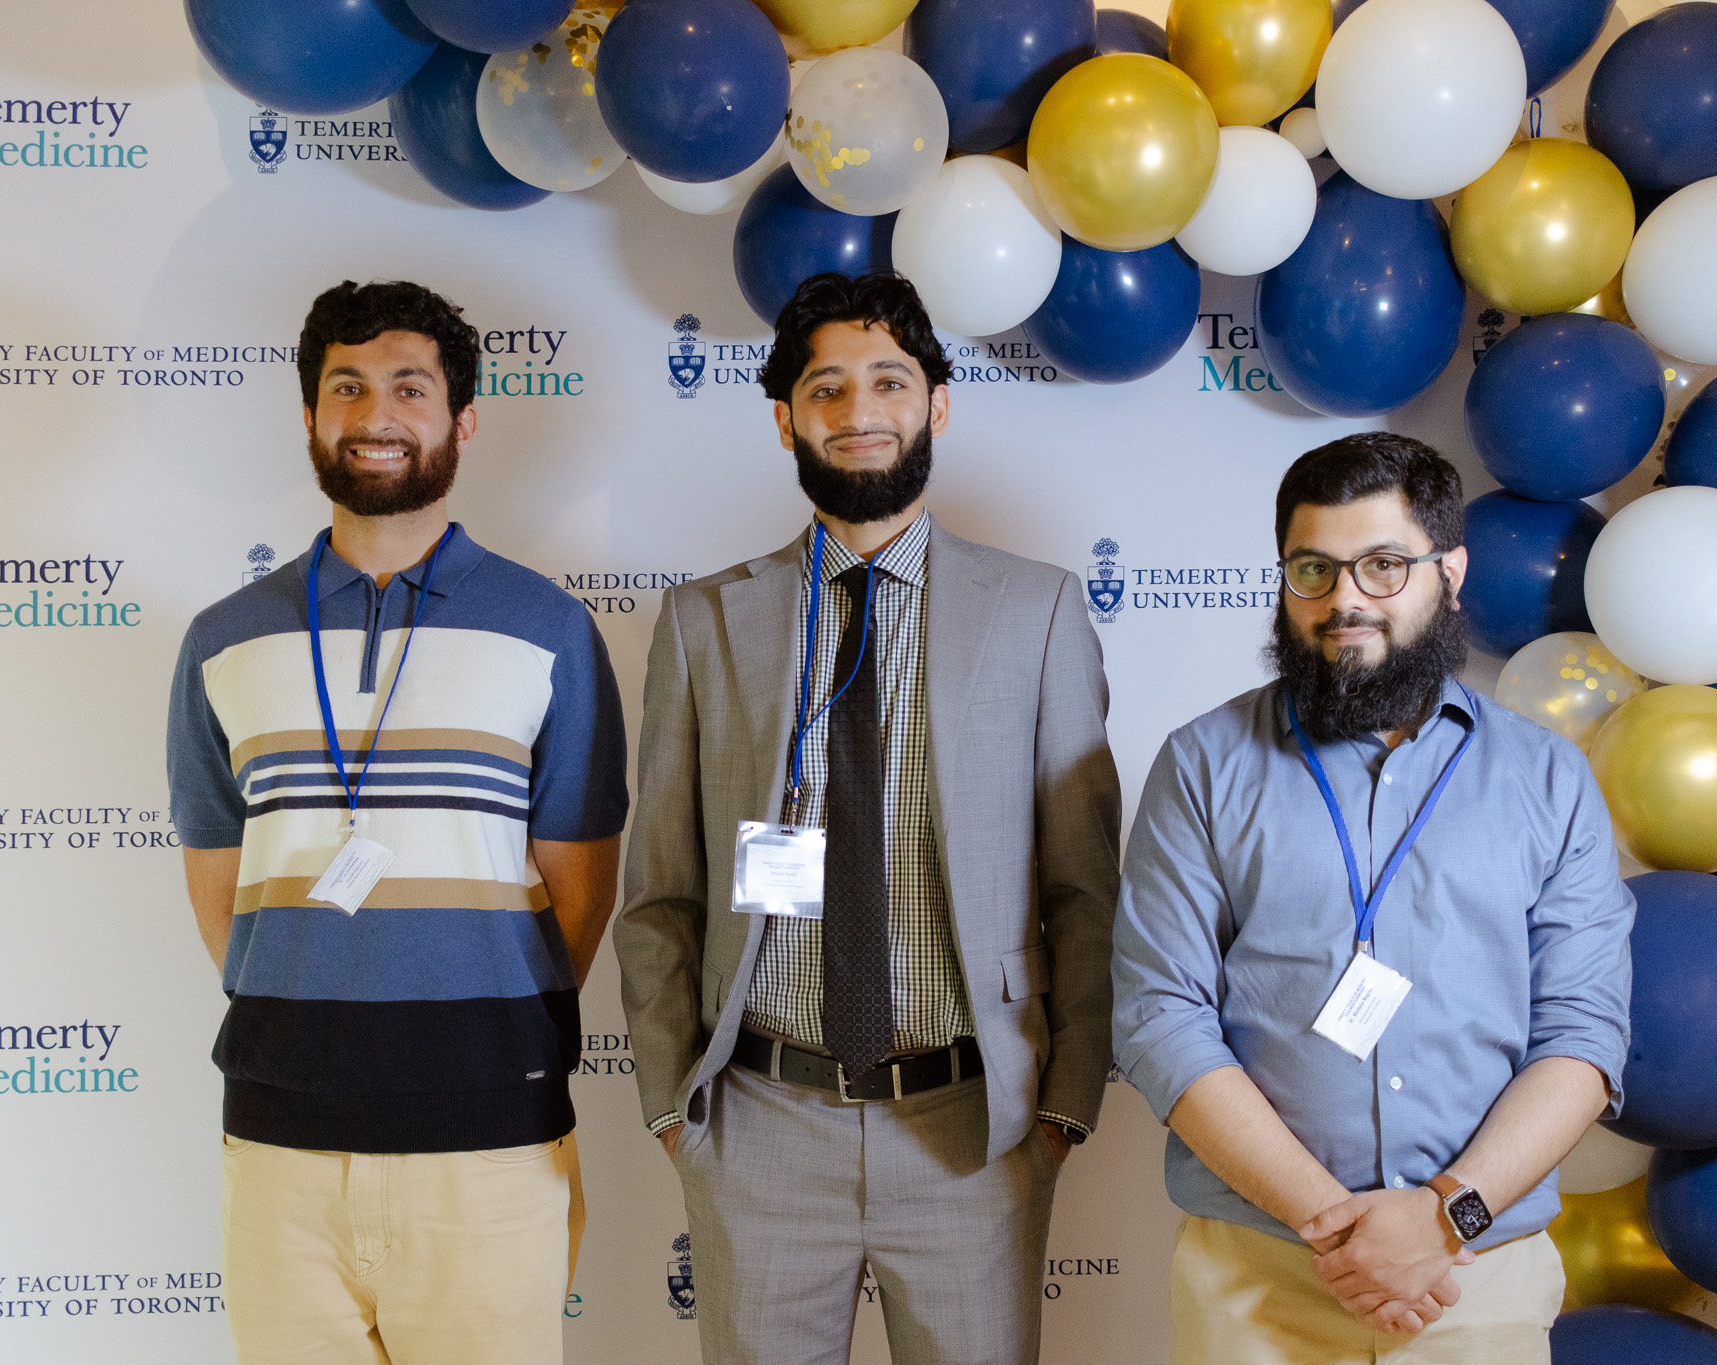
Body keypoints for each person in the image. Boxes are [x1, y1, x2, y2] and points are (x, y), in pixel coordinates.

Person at [615, 271, 1120, 1365]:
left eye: (888, 380)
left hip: (969, 1131)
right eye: (826, 388)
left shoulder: (1034, 613)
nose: (858, 412)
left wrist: (1062, 1110)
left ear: (936, 405)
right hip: (760, 1121)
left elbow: (1085, 890)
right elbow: (659, 889)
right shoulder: (706, 620)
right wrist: (671, 1106)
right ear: (787, 418)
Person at [167, 280, 626, 1365]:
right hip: (280, 1139)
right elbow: (220, 889)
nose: (376, 415)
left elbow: (578, 895)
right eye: (347, 387)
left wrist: (470, 1036)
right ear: (313, 416)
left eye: (408, 388)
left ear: (461, 421)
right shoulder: (223, 640)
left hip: (490, 1143)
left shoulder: (548, 629)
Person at [1111, 433, 1634, 1364]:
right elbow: (1160, 1018)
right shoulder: (1201, 763)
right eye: (1313, 568)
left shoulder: (1550, 778)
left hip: (1477, 1275)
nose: (1345, 597)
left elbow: (1583, 1037)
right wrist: (1341, 1228)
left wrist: (1443, 1217)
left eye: (1384, 565)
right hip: (1256, 1280)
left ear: (1451, 571)